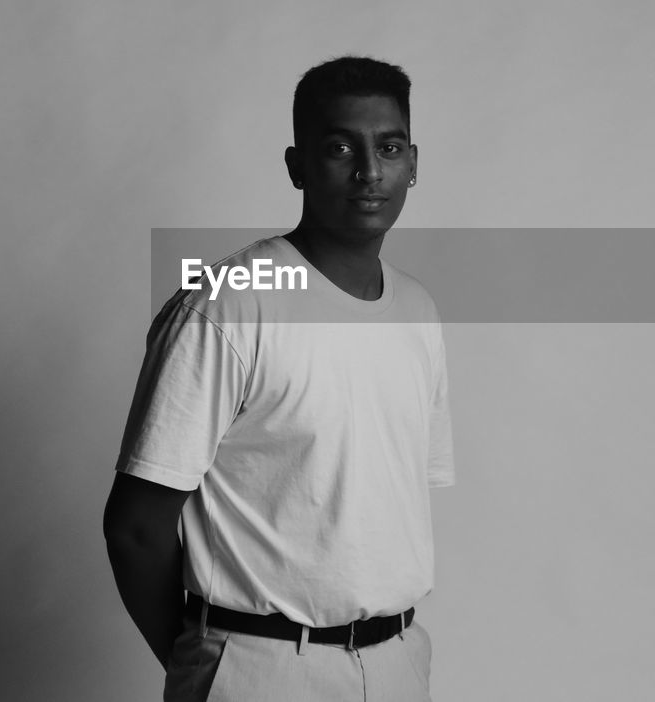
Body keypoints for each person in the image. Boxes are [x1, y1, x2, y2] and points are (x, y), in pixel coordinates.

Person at [103, 56, 455, 701]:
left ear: (414, 162)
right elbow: (135, 528)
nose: (369, 171)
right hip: (260, 668)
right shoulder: (229, 304)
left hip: (398, 664)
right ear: (297, 166)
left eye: (390, 147)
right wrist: (207, 665)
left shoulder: (417, 310)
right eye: (341, 147)